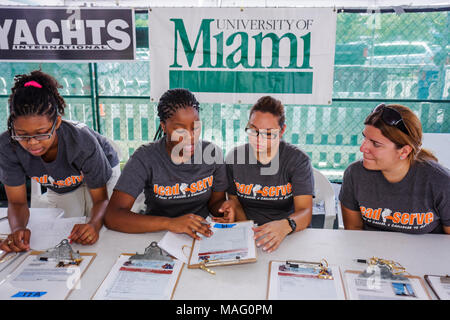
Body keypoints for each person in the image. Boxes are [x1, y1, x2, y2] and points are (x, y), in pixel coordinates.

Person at [0, 70, 120, 252]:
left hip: (101, 175)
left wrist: (94, 224)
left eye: (41, 133)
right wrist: (18, 229)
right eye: (22, 135)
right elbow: (17, 203)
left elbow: (101, 200)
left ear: (56, 123)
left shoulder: (80, 141)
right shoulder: (8, 146)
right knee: (70, 228)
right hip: (60, 182)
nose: (32, 143)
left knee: (104, 227)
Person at [104, 88, 233, 240]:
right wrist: (170, 223)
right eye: (180, 129)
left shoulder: (212, 154)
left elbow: (216, 202)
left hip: (201, 234)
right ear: (164, 127)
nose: (190, 137)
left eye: (195, 128)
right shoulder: (145, 157)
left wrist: (223, 210)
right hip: (157, 234)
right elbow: (112, 216)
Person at [339, 103, 450, 234]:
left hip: (426, 253)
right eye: (365, 138)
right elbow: (354, 230)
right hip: (371, 252)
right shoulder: (354, 174)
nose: (362, 148)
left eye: (376, 144)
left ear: (404, 151)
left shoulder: (441, 182)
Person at [225, 96, 314, 253]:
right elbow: (235, 202)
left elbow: (305, 212)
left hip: (288, 235)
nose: (258, 139)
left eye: (268, 133)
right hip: (250, 234)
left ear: (282, 131)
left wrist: (285, 225)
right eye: (253, 130)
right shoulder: (235, 158)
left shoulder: (298, 160)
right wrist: (248, 231)